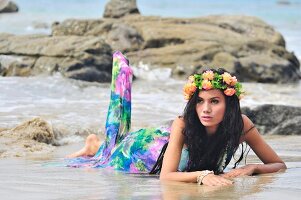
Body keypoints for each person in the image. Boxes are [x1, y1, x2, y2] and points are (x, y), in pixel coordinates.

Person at [66, 51, 286, 186]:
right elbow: (166, 176)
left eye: (215, 101)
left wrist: (252, 168)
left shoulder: (242, 125)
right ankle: (96, 145)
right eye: (200, 101)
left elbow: (278, 164)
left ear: (229, 105)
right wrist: (202, 176)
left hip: (162, 146)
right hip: (143, 150)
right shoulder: (183, 123)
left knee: (108, 147)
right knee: (106, 161)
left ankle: (95, 144)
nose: (205, 109)